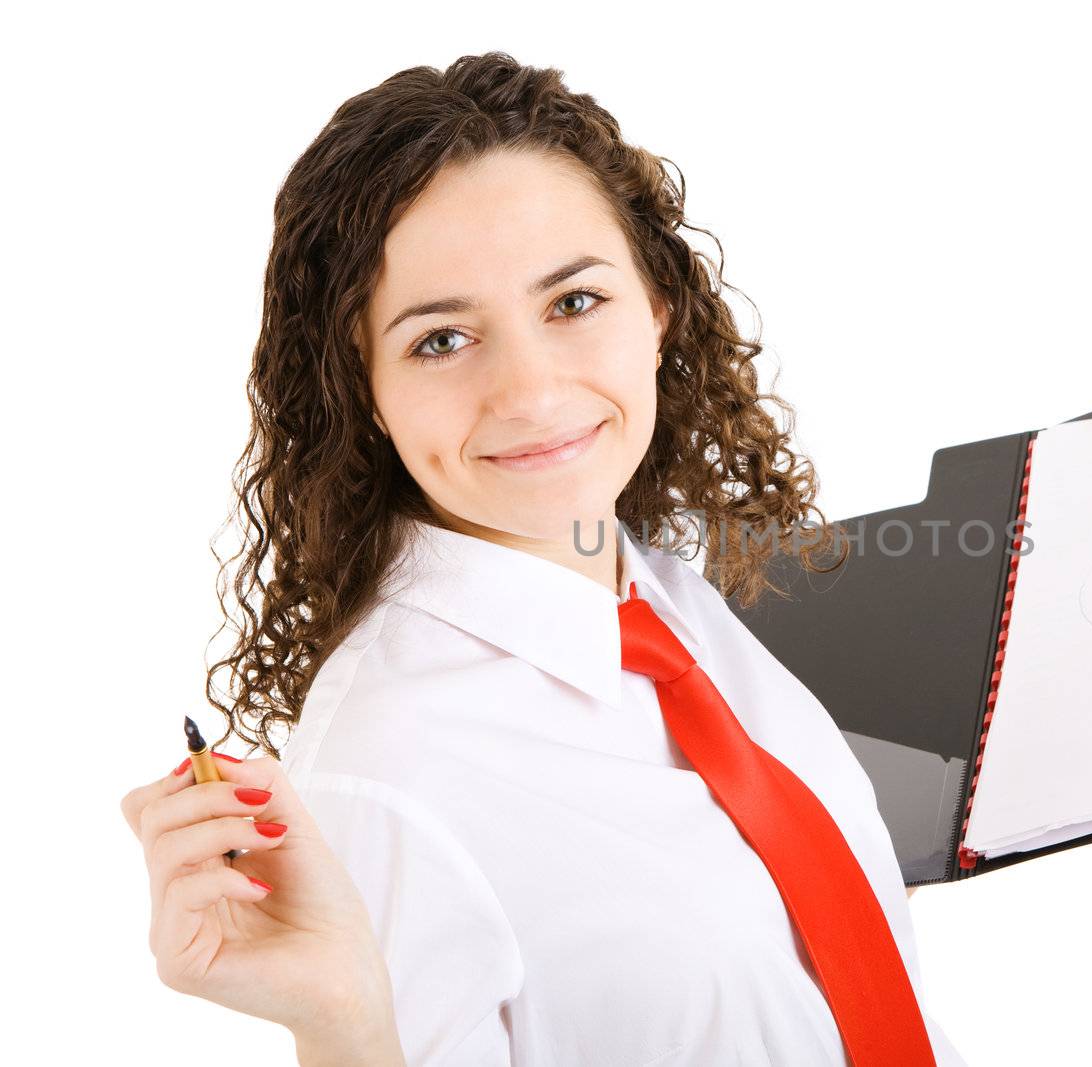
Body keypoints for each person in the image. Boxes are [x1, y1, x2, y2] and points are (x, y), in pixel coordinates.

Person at [120, 51, 966, 1065]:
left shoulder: (665, 603)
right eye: (439, 339)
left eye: (572, 303)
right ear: (365, 392)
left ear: (658, 308)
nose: (528, 390)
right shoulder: (382, 772)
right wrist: (345, 1025)